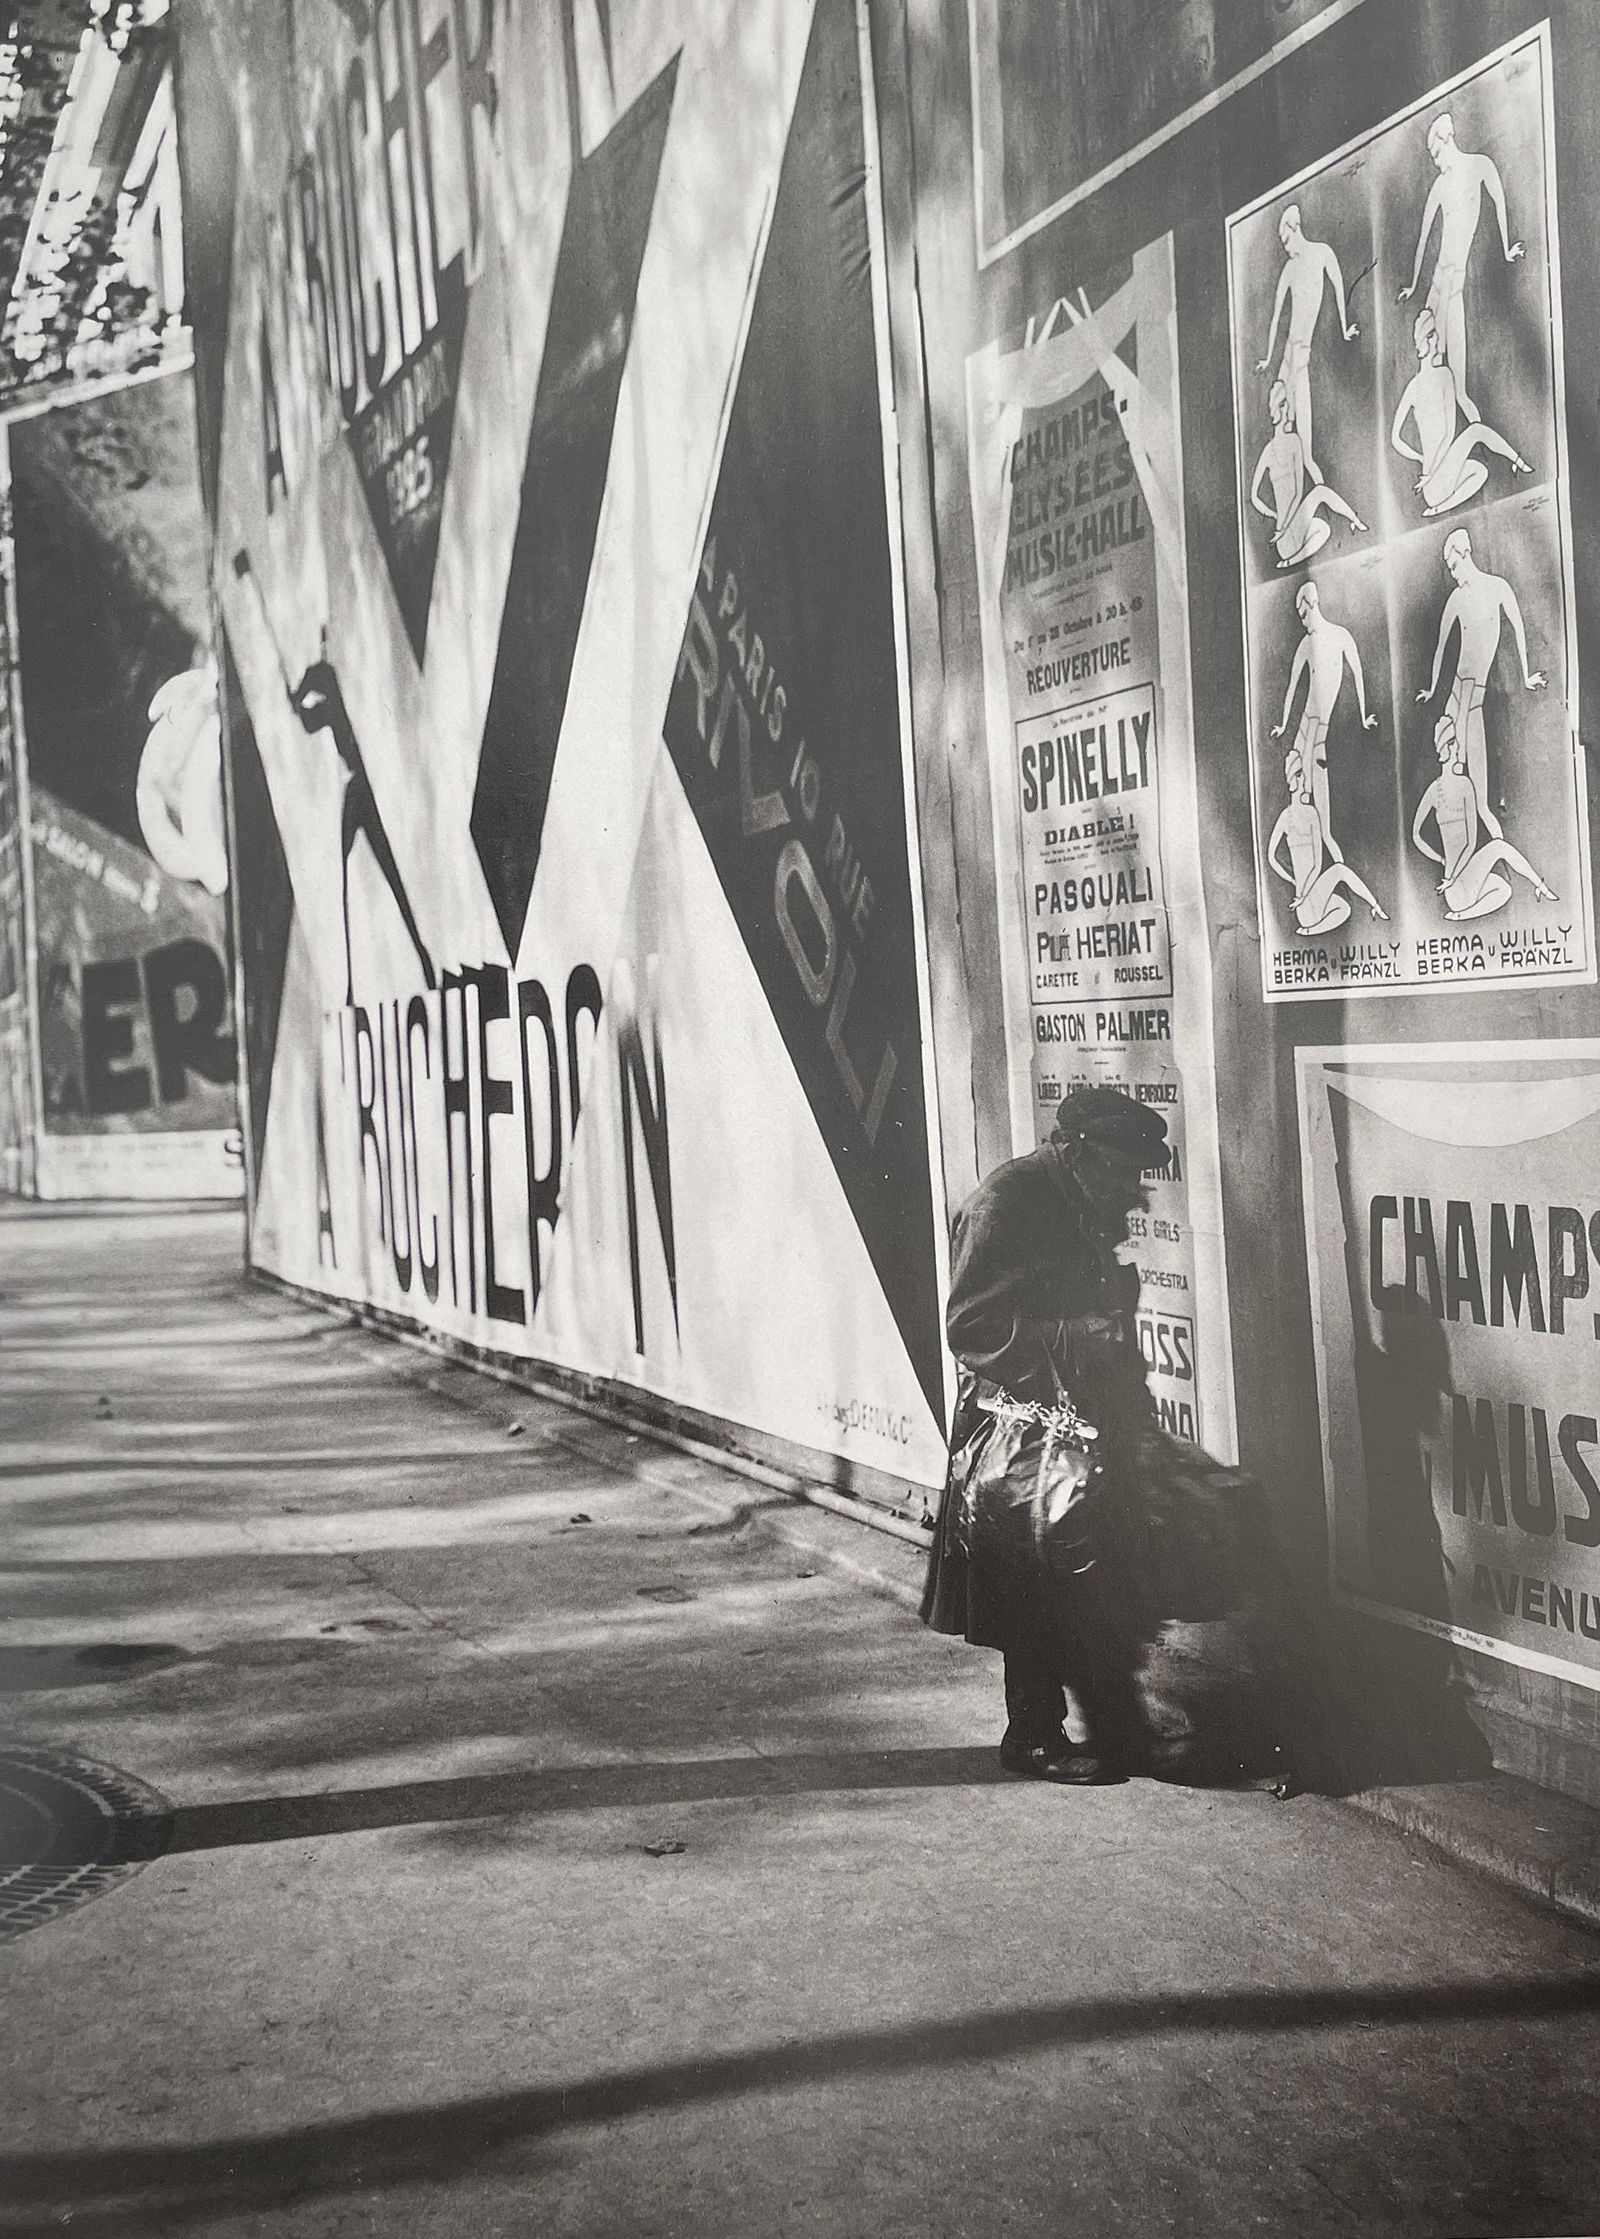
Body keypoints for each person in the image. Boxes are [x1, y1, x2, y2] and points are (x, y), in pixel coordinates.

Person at [921, 1086, 1172, 1784]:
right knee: (1031, 1582)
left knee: (1095, 1574)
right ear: (1075, 1150)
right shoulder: (1006, 1204)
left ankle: (1117, 1725)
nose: (1132, 1193)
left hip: (1081, 1424)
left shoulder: (1079, 1198)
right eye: (1122, 1173)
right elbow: (968, 1328)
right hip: (1018, 1432)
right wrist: (1076, 1340)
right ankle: (1032, 1732)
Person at [1416, 526, 1545, 841]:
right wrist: (1433, 689)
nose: (1454, 575)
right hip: (1455, 700)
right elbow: (1440, 648)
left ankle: (1499, 852)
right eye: (1449, 570)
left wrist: (1526, 676)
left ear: (1464, 553)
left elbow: (1518, 629)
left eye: (1454, 566)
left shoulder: (1498, 588)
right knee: (1453, 788)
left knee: (1481, 801)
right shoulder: (1456, 598)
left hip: (1472, 705)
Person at [1398, 111, 1523, 423]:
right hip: (1436, 287)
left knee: (1459, 388)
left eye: (1436, 153)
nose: (1436, 161)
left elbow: (1499, 204)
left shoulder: (1479, 166)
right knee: (1426, 370)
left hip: (1453, 290)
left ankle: (1476, 436)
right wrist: (1414, 285)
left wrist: (1507, 248)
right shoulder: (1440, 186)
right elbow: (1423, 239)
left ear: (1447, 140)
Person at [1254, 202, 1359, 485]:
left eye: (1286, 240)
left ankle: (1316, 484)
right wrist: (1267, 357)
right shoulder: (1289, 269)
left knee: (1305, 440)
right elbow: (1276, 316)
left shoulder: (1322, 253)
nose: (1285, 247)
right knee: (1279, 423)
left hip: (1302, 358)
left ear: (1295, 228)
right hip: (1288, 354)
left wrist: (1344, 326)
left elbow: (1339, 289)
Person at [1412, 712, 1554, 920]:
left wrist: (1444, 862)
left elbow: (1416, 836)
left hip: (1458, 888)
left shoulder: (1435, 789)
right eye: (1457, 745)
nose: (1460, 749)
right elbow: (1470, 844)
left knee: (1504, 890)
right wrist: (1450, 874)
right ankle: (1540, 885)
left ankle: (1461, 915)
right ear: (1449, 748)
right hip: (1457, 883)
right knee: (1498, 846)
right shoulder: (1464, 785)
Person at [1390, 308, 1528, 516]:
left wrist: (1423, 461)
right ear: (1428, 339)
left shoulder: (1419, 383)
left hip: (1437, 478)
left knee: (1480, 471)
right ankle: (1518, 461)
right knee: (1476, 431)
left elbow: (1395, 439)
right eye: (1434, 334)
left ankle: (1437, 508)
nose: (1438, 340)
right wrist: (1427, 468)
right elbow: (1447, 433)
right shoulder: (1441, 376)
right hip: (1434, 478)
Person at [1267, 748, 1387, 936]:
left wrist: (1295, 883)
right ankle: (1375, 905)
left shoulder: (1298, 815)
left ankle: (1310, 929)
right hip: (1306, 902)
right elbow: (1314, 865)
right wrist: (1299, 892)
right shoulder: (1300, 815)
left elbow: (1273, 858)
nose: (1304, 780)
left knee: (1344, 909)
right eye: (1300, 775)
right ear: (1292, 781)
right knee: (1339, 869)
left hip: (1307, 901)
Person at [1250, 381, 1366, 567]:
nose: (1290, 409)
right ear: (1281, 408)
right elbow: (1294, 494)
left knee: (1323, 528)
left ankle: (1289, 562)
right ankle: (1355, 519)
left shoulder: (1280, 446)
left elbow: (1255, 498)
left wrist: (1276, 518)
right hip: (1286, 534)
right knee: (1320, 492)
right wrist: (1280, 523)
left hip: (1287, 532)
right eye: (1286, 404)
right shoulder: (1283, 445)